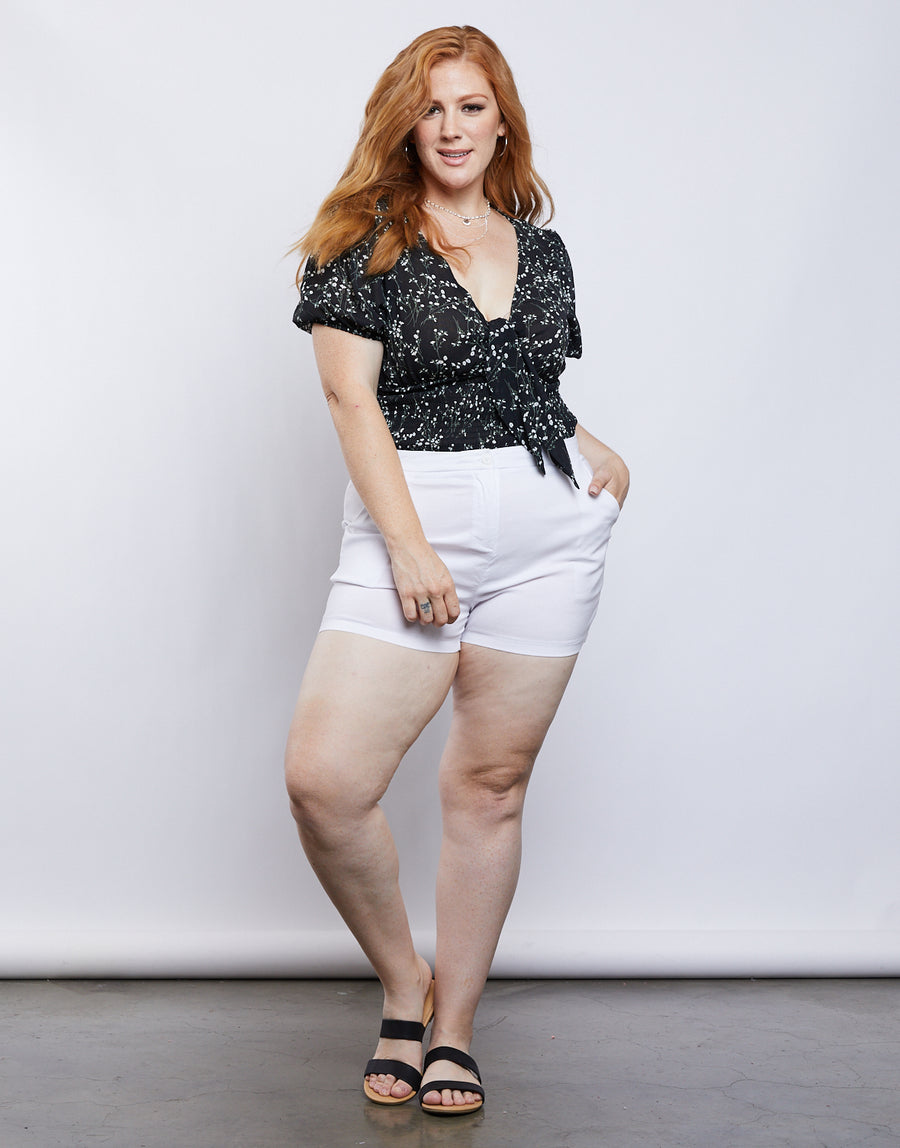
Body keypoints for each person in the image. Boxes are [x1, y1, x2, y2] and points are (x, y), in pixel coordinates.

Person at [285, 25, 629, 1117]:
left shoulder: (542, 249)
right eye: (431, 108)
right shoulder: (360, 240)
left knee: (489, 785)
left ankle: (453, 1028)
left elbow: (518, 380)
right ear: (403, 124)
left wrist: (593, 446)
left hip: (548, 533)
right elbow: (350, 397)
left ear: (502, 121)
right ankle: (405, 981)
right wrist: (407, 545)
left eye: (472, 106)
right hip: (415, 521)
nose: (452, 128)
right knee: (327, 781)